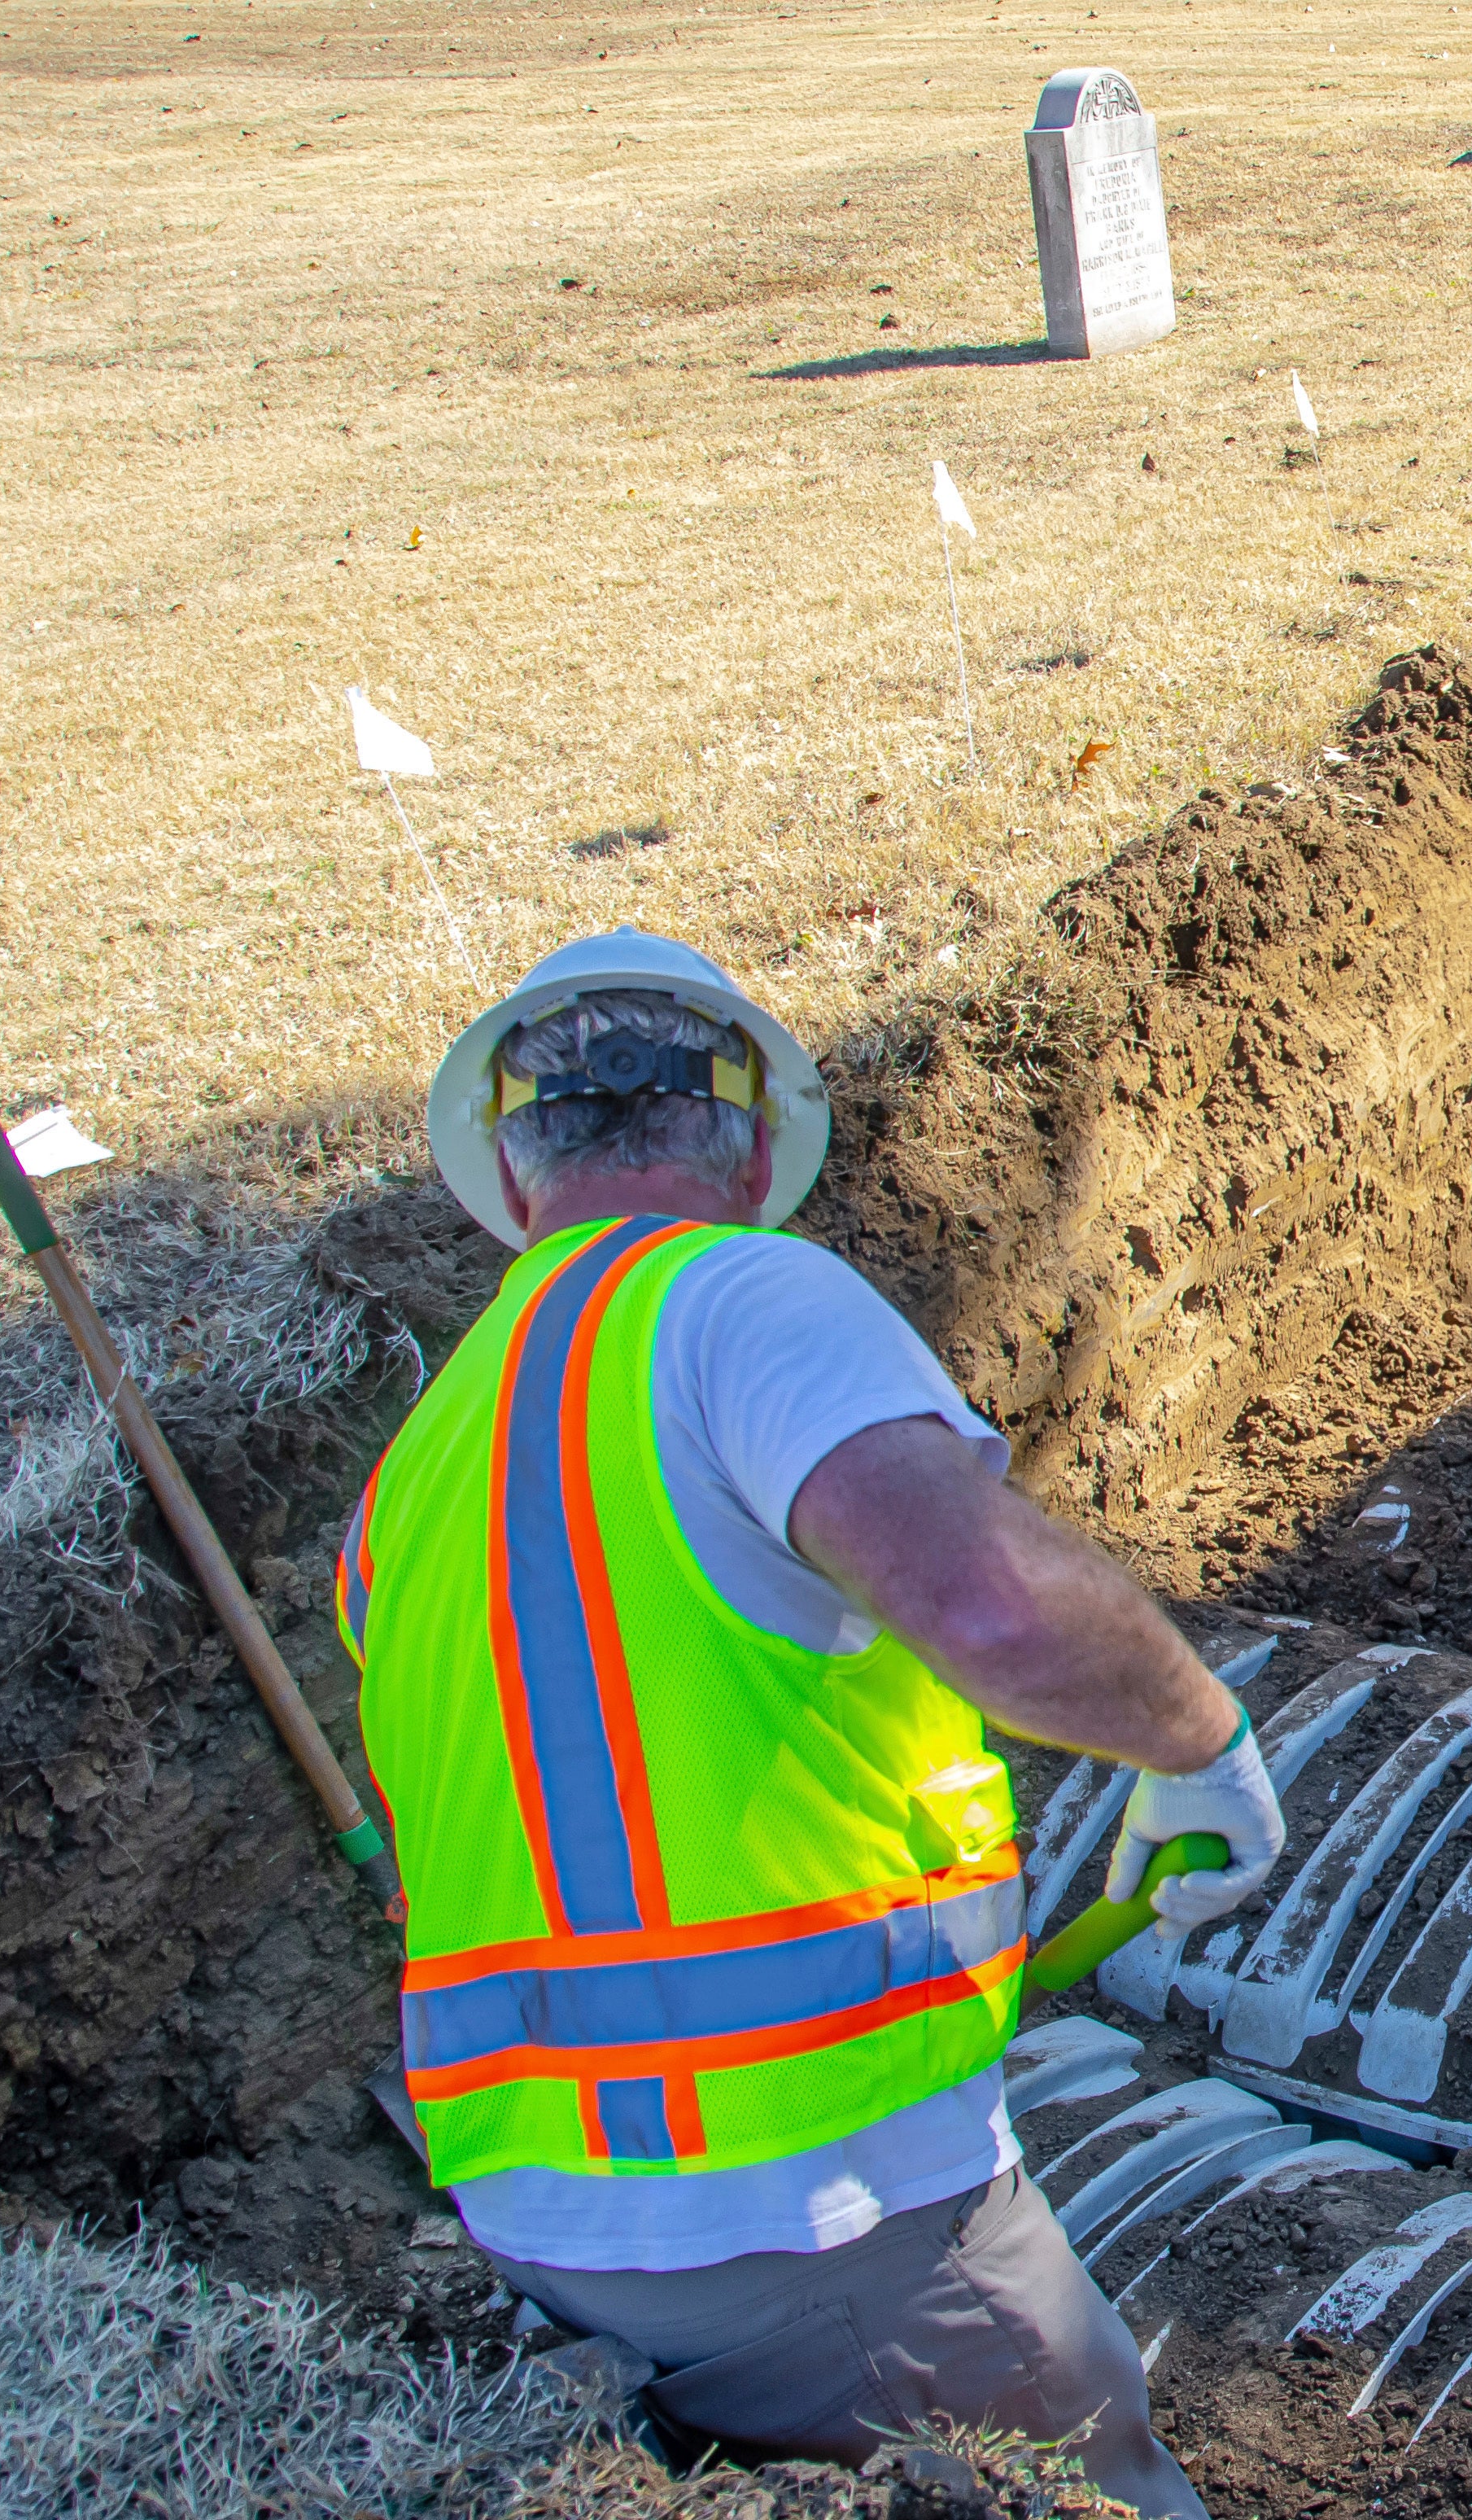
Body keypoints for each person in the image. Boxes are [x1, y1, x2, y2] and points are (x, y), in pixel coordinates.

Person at [335, 930, 1279, 2513]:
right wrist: (1200, 1741)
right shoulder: (734, 1299)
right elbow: (988, 1607)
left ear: (508, 1177)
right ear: (757, 1141)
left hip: (554, 2218)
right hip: (810, 2204)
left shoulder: (412, 1470)